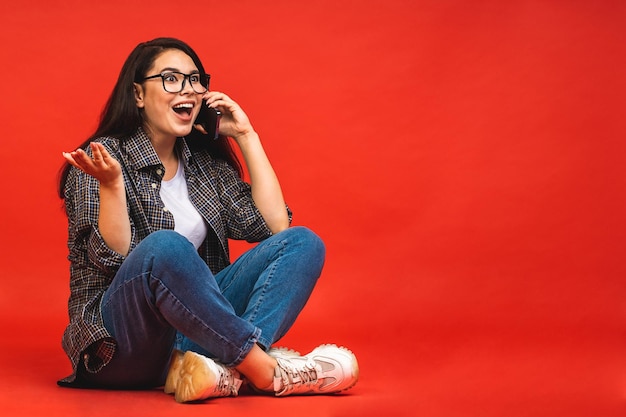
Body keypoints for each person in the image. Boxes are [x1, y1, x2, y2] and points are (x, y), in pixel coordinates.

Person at [57, 37, 359, 403]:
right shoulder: (101, 159)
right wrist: (112, 185)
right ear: (138, 94)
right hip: (122, 345)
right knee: (166, 247)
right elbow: (111, 258)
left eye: (195, 79)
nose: (187, 89)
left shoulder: (202, 165)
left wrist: (247, 136)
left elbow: (273, 225)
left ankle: (226, 370)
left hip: (189, 344)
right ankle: (263, 371)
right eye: (171, 78)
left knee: (303, 242)